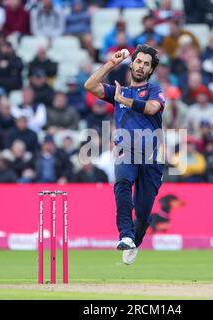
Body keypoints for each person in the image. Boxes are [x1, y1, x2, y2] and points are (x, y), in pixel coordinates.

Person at [84, 44, 165, 265]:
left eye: (146, 64)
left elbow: (151, 108)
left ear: (150, 70)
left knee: (144, 213)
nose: (141, 66)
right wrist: (111, 63)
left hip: (151, 157)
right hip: (125, 151)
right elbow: (90, 85)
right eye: (138, 61)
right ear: (132, 63)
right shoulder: (120, 90)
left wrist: (123, 101)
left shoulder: (154, 89)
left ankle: (134, 239)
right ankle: (126, 235)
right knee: (121, 183)